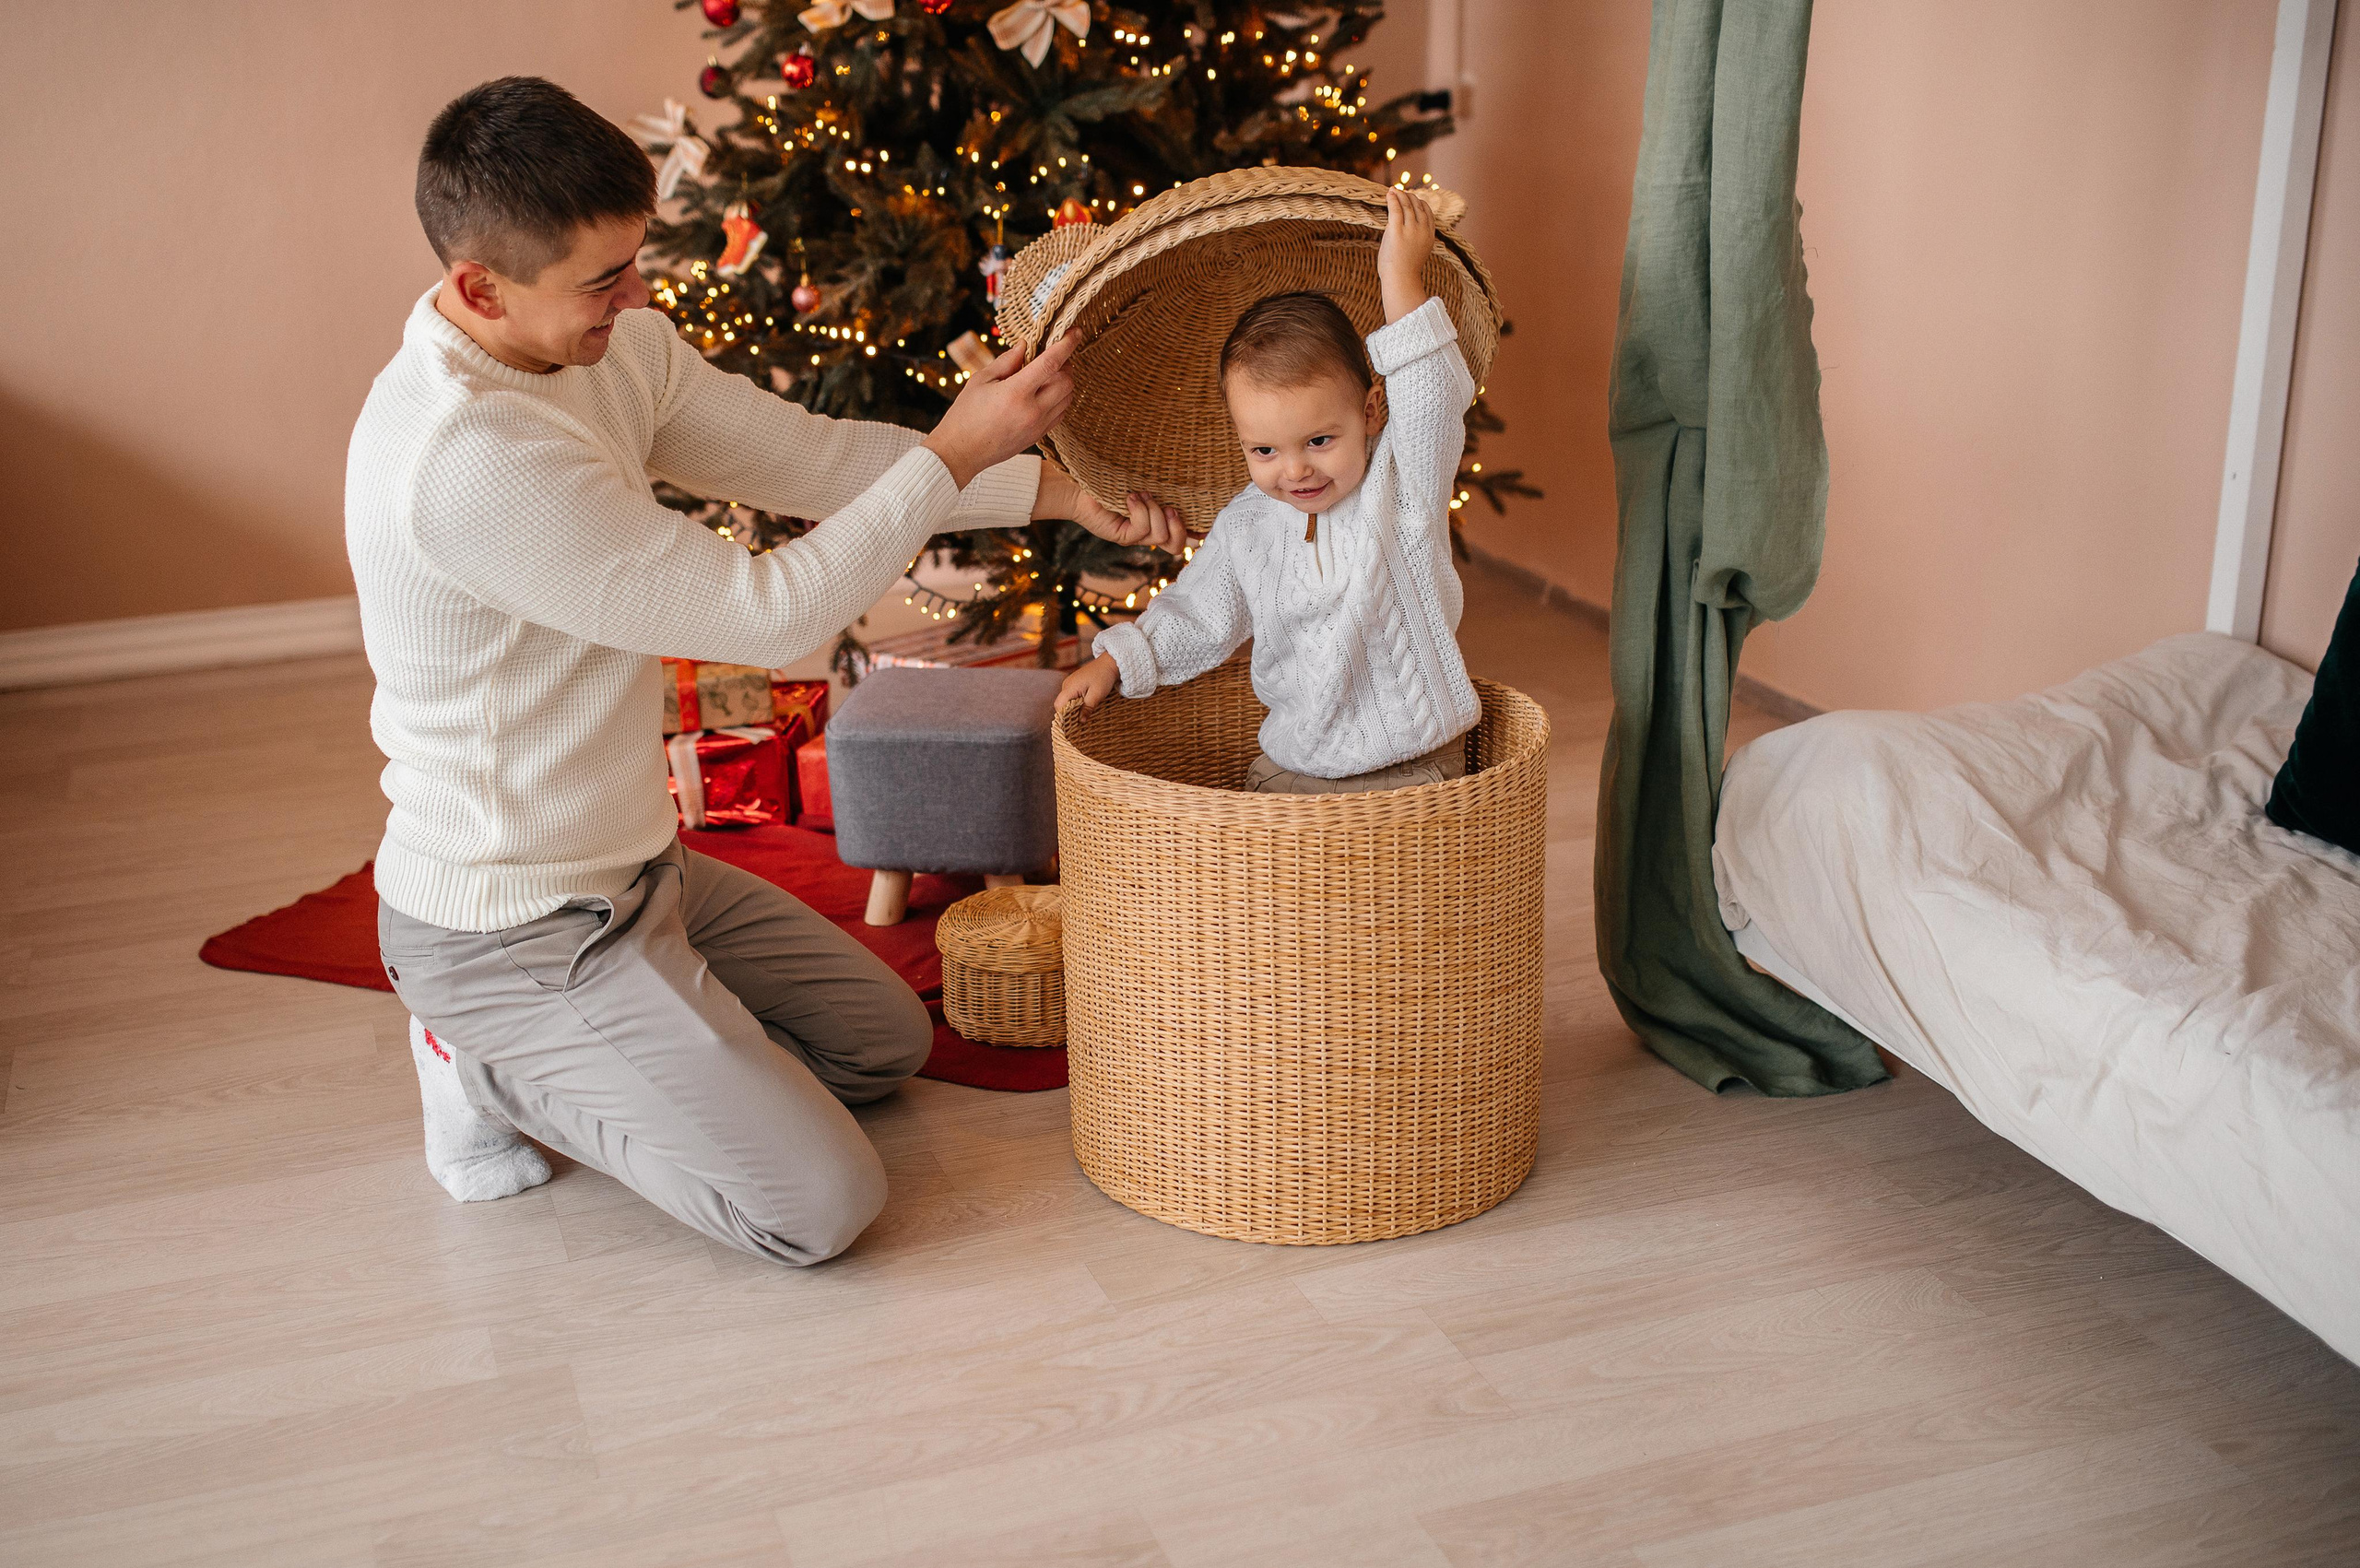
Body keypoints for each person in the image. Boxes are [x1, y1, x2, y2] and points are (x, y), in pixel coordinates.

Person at [348, 77, 1182, 1265]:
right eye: (602, 280)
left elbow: (810, 457)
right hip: (513, 923)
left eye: (634, 262)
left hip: (639, 866)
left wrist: (1054, 492)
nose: (638, 299)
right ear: (480, 287)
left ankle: (633, 1034)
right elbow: (766, 613)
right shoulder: (467, 462)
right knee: (817, 1208)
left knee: (880, 1048)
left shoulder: (609, 347)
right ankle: (481, 1059)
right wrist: (951, 449)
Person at [1056, 189, 1481, 795]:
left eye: (1319, 440)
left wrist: (1400, 277)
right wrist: (1117, 658)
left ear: (1371, 411)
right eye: (1265, 451)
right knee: (1261, 875)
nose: (1295, 471)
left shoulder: (1402, 482)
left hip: (1410, 760)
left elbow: (1432, 398)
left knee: (1383, 889)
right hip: (1294, 759)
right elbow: (1198, 612)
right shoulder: (1248, 524)